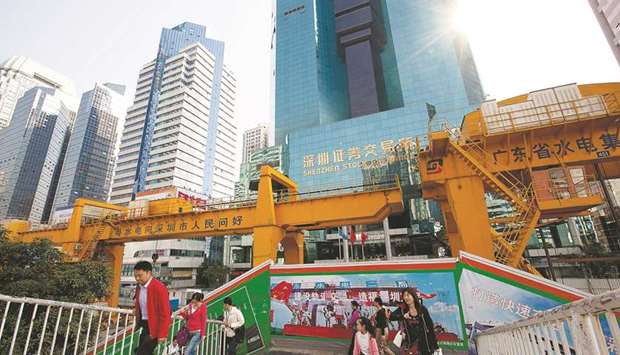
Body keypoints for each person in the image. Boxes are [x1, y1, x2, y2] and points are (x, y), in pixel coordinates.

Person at [133, 261, 171, 355]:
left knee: (142, 352)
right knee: (142, 350)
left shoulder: (159, 288)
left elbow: (166, 313)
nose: (137, 278)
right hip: (144, 324)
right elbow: (140, 302)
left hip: (154, 326)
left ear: (149, 273)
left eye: (140, 275)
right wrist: (136, 310)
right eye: (135, 276)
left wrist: (162, 334)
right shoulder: (139, 286)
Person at [389, 288, 438, 355]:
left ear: (413, 296)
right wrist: (403, 317)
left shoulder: (422, 309)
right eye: (404, 296)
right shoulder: (402, 309)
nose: (406, 297)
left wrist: (435, 346)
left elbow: (430, 327)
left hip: (424, 345)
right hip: (410, 344)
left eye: (408, 295)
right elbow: (391, 317)